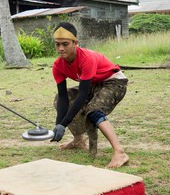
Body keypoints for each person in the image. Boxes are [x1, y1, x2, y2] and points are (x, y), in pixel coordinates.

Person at [51, 22, 129, 168]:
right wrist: (58, 125)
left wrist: (64, 123)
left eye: (65, 44)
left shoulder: (87, 58)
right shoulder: (57, 66)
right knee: (62, 99)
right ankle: (78, 140)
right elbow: (62, 96)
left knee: (93, 111)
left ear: (75, 43)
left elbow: (83, 94)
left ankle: (120, 153)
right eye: (57, 44)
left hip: (114, 82)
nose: (61, 48)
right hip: (94, 84)